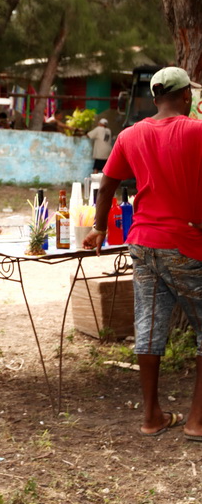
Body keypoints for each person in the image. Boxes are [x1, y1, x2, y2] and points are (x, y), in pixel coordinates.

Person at [83, 67, 202, 438]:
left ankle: (152, 417)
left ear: (154, 98)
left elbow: (107, 184)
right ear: (187, 97)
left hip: (143, 242)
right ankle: (197, 422)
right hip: (186, 242)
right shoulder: (198, 132)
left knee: (149, 326)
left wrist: (99, 228)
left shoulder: (130, 135)